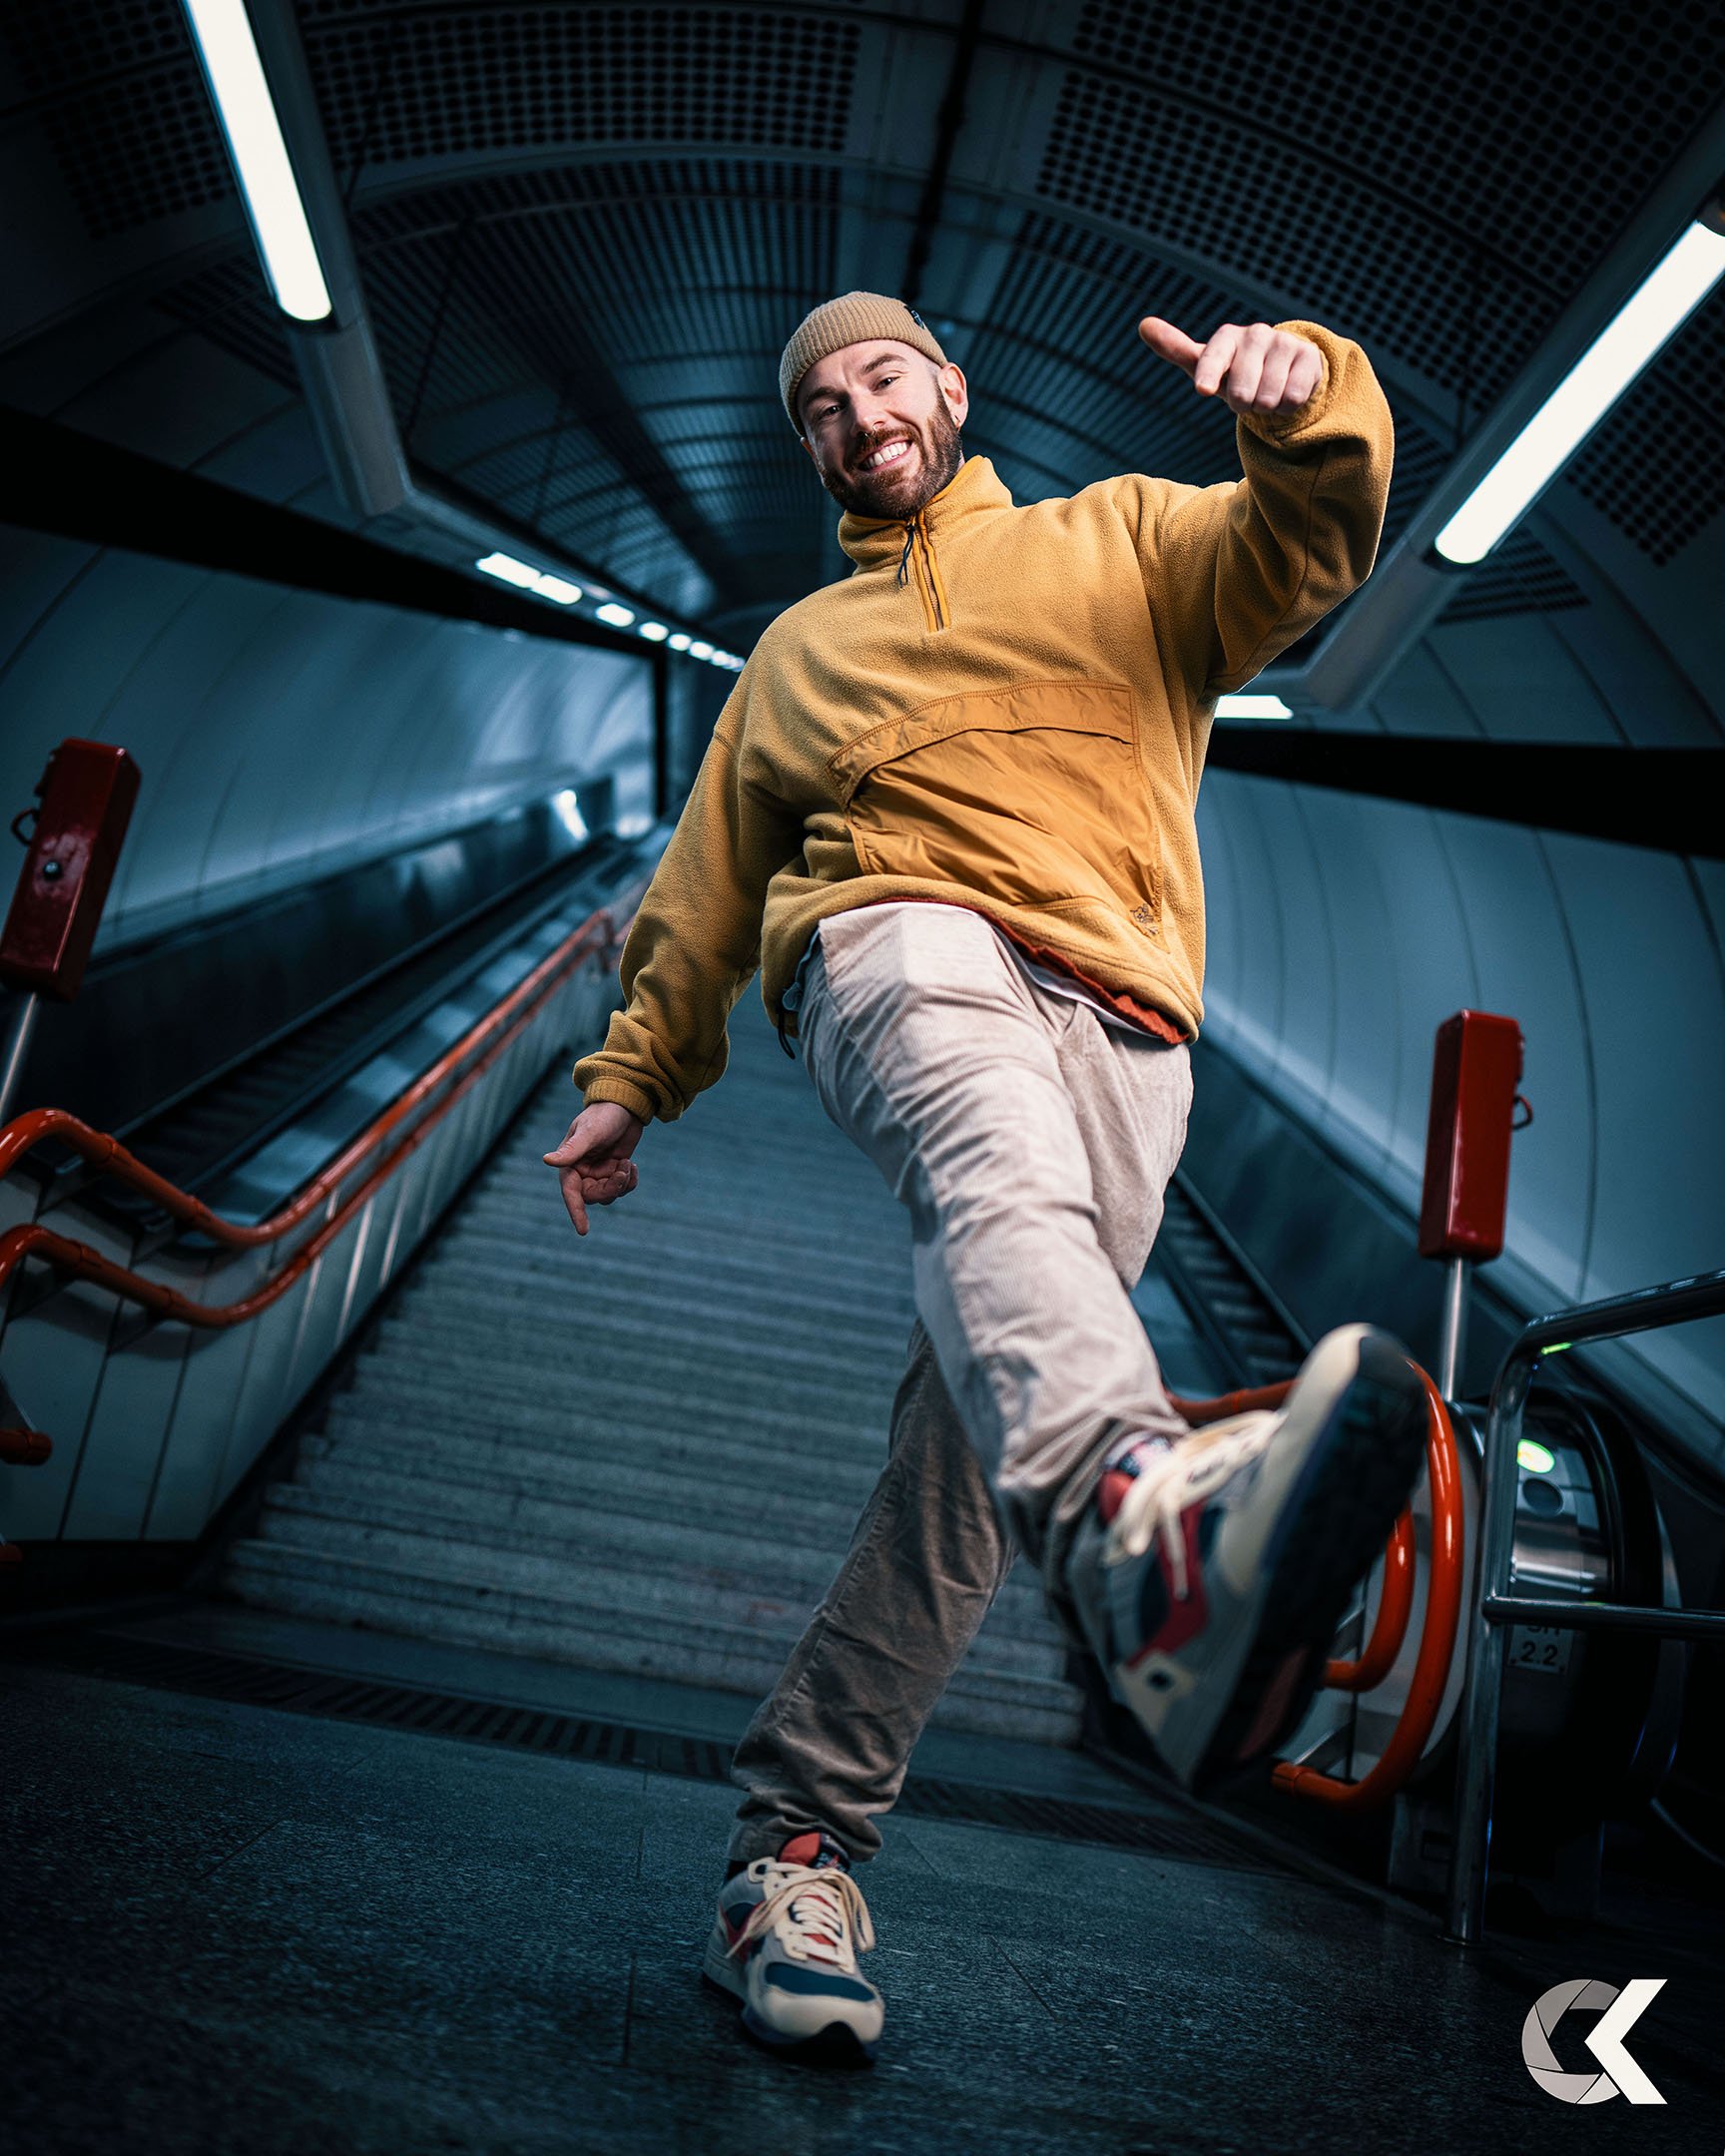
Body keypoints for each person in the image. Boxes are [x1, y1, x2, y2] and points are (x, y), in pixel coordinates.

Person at [544, 291, 1425, 2063]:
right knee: (989, 1165)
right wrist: (638, 1072)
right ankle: (1140, 1511)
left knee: (971, 1445)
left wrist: (1311, 387)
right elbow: (707, 889)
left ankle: (790, 1849)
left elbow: (1316, 538)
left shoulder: (1128, 542)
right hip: (896, 939)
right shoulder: (792, 655)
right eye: (819, 409)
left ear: (949, 387)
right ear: (813, 453)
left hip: (1127, 1023)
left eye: (880, 378)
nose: (854, 415)